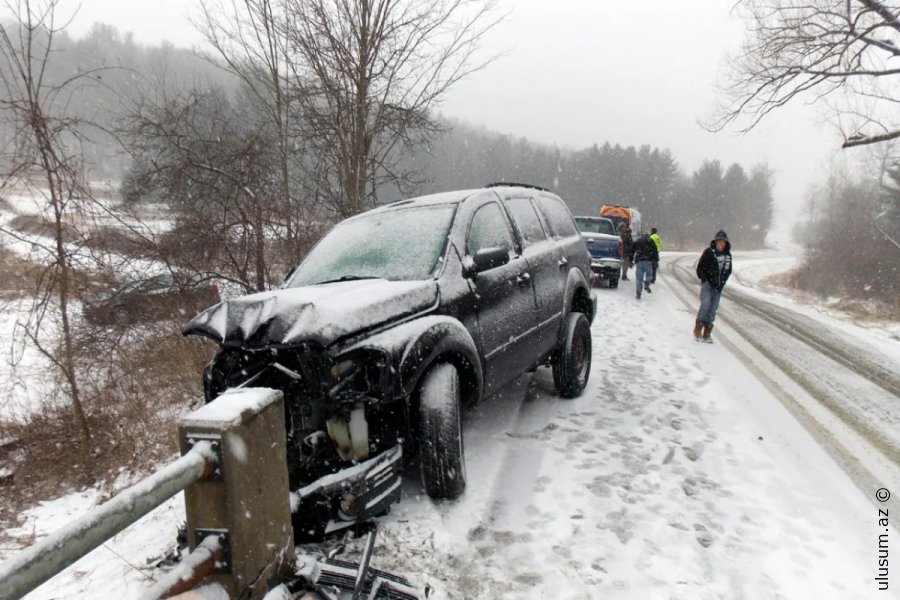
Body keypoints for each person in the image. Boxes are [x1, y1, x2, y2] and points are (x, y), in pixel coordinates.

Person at [694, 229, 732, 342]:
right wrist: (705, 279)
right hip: (707, 284)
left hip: (718, 287)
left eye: (723, 242)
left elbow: (728, 271)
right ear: (715, 242)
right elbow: (700, 268)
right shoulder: (709, 252)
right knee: (705, 304)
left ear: (726, 243)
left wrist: (722, 283)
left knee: (713, 309)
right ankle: (698, 329)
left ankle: (707, 333)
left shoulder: (728, 256)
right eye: (719, 241)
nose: (721, 244)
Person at [631, 232, 659, 300]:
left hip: (639, 261)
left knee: (639, 278)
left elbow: (632, 250)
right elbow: (655, 251)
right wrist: (656, 260)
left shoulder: (638, 241)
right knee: (649, 275)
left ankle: (638, 293)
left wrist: (630, 259)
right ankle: (647, 283)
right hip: (648, 261)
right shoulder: (650, 241)